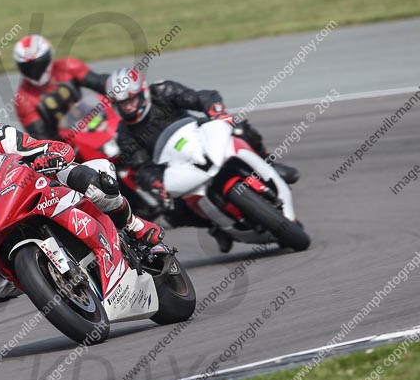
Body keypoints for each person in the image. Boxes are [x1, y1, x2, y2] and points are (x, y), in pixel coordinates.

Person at [0, 92, 164, 303]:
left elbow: (37, 148)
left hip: (37, 188)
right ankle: (47, 280)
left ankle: (136, 227)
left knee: (98, 184)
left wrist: (50, 155)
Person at [105, 67, 300, 252]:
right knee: (172, 211)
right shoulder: (125, 134)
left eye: (132, 100)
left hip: (200, 136)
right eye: (122, 103)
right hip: (176, 165)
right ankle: (216, 226)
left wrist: (215, 111)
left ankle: (268, 162)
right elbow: (142, 167)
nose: (128, 106)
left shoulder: (163, 91)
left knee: (239, 127)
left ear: (143, 93)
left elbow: (202, 97)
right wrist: (155, 182)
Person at [13, 34, 109, 140]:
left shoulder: (68, 66)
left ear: (48, 57)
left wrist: (121, 84)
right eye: (28, 67)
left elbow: (101, 82)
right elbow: (41, 136)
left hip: (92, 121)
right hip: (65, 143)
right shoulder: (23, 99)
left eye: (38, 64)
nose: (34, 71)